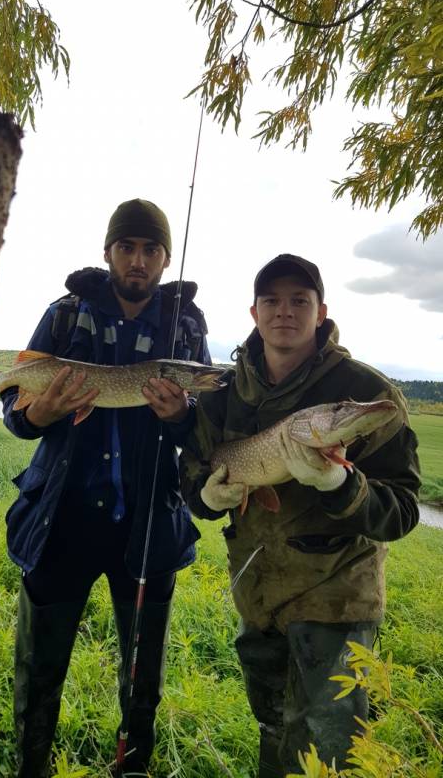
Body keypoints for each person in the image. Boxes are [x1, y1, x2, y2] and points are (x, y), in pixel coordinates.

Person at [180, 253, 420, 777]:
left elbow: (401, 512)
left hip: (337, 603)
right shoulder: (222, 396)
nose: (284, 311)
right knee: (272, 730)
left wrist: (341, 483)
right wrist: (209, 496)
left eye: (299, 300)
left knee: (327, 753)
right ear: (254, 311)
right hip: (259, 598)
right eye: (272, 300)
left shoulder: (368, 393)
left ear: (321, 310)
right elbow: (193, 480)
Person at [1, 198, 212, 777]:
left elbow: (202, 427)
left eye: (150, 249)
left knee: (143, 673)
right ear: (109, 252)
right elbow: (17, 419)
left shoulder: (186, 329)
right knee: (40, 665)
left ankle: (133, 767)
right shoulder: (67, 315)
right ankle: (32, 766)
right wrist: (42, 409)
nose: (138, 260)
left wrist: (180, 416)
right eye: (127, 247)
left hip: (145, 526)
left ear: (165, 259)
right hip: (62, 520)